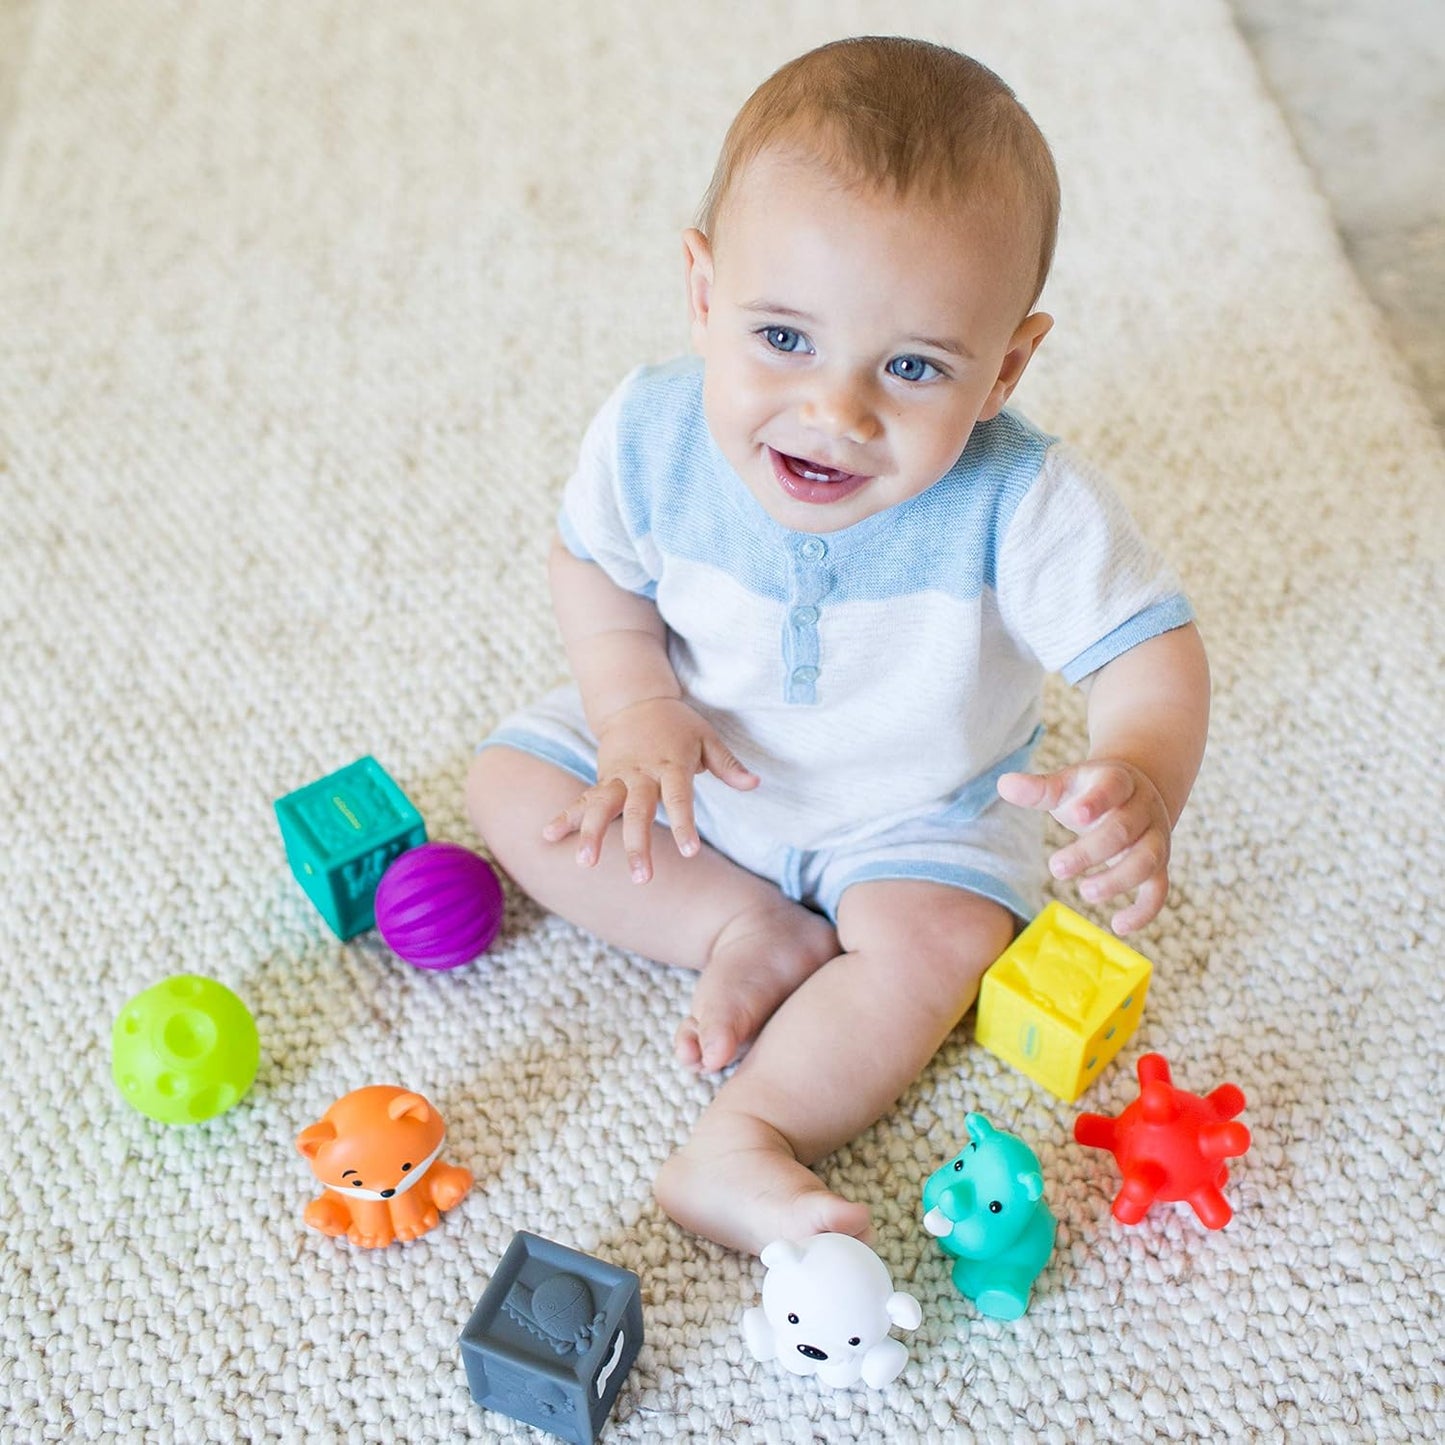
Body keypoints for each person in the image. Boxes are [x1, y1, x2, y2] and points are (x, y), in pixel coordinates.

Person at [467, 36, 1210, 1256]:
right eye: (782, 338)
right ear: (704, 294)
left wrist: (1138, 772)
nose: (837, 410)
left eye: (912, 366)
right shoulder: (651, 433)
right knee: (512, 786)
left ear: (1005, 366)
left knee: (942, 946)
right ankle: (737, 926)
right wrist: (632, 706)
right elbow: (592, 567)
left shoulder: (1016, 497)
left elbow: (1148, 650)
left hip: (914, 810)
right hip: (694, 757)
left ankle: (745, 1135)